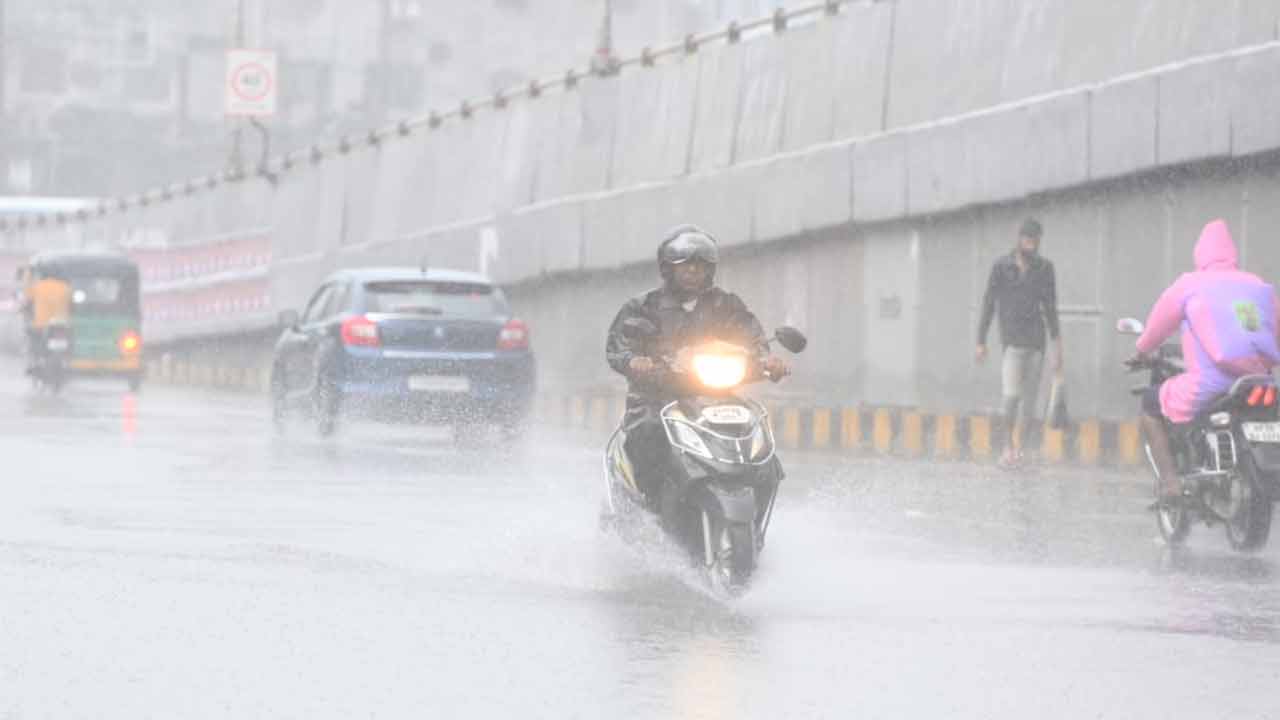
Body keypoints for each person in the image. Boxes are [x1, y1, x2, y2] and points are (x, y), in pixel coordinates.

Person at [605, 225, 788, 507]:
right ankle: (648, 506)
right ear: (669, 269)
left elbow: (752, 337)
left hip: (716, 394)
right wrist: (634, 361)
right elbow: (620, 344)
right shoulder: (643, 306)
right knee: (648, 431)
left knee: (757, 435)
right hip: (658, 396)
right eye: (686, 266)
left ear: (710, 270)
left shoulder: (725, 304)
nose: (693, 272)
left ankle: (756, 505)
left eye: (700, 267)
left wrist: (767, 360)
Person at [1132, 219, 1280, 501]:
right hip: (1258, 383)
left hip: (1210, 384)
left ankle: (1171, 484)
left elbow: (1157, 327)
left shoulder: (1191, 284)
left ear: (1200, 254)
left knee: (1150, 405)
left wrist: (1141, 350)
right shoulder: (1258, 284)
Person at [976, 218, 1064, 468]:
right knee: (1011, 396)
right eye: (1027, 238)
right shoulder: (1001, 267)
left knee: (1029, 402)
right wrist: (981, 340)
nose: (1031, 243)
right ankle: (1007, 446)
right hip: (1012, 343)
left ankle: (1021, 449)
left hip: (1036, 343)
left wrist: (1058, 347)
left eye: (1035, 240)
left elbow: (1050, 308)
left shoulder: (1045, 269)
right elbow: (989, 303)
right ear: (1019, 238)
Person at [22, 267, 73, 372]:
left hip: (41, 324)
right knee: (69, 342)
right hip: (61, 324)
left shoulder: (38, 287)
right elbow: (71, 304)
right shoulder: (65, 287)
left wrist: (27, 275)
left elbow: (28, 298)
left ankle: (34, 362)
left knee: (33, 342)